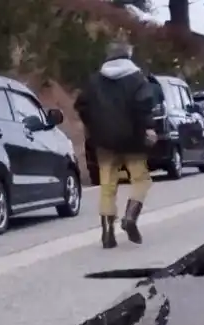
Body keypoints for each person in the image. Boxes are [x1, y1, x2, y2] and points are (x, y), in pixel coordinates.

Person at [74, 40, 157, 249]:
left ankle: (107, 232)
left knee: (108, 185)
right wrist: (148, 128)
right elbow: (144, 105)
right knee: (141, 180)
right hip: (133, 140)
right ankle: (130, 217)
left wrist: (93, 126)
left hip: (104, 142)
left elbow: (81, 105)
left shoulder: (94, 81)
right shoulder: (137, 79)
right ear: (127, 56)